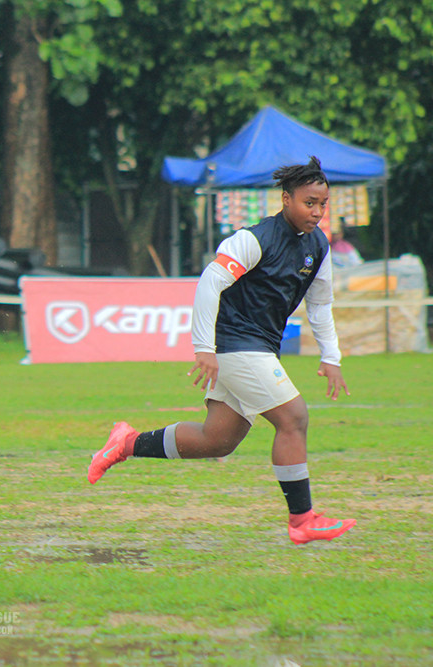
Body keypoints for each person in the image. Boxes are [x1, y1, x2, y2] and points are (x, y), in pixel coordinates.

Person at [87, 156, 356, 546]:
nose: (317, 212)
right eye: (308, 203)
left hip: (258, 347)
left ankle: (125, 442)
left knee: (217, 440)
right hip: (235, 344)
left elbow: (319, 304)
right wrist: (204, 349)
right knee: (293, 418)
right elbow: (209, 283)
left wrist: (331, 356)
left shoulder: (318, 246)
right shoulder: (253, 239)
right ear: (286, 199)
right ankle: (302, 520)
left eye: (322, 204)